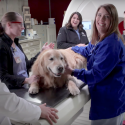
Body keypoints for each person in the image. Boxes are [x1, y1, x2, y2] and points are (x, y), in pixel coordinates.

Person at [65, 4, 125, 125]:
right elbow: (89, 50)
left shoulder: (111, 43)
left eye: (106, 17)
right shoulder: (101, 38)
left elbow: (95, 75)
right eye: (99, 15)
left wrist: (72, 71)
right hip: (105, 99)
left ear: (112, 20)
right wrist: (74, 48)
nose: (101, 20)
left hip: (108, 103)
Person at [0, 12, 54, 89]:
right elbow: (3, 77)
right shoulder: (2, 46)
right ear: (9, 25)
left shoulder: (16, 44)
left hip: (24, 87)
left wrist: (41, 52)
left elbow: (27, 65)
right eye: (20, 24)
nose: (23, 27)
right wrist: (26, 80)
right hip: (13, 92)